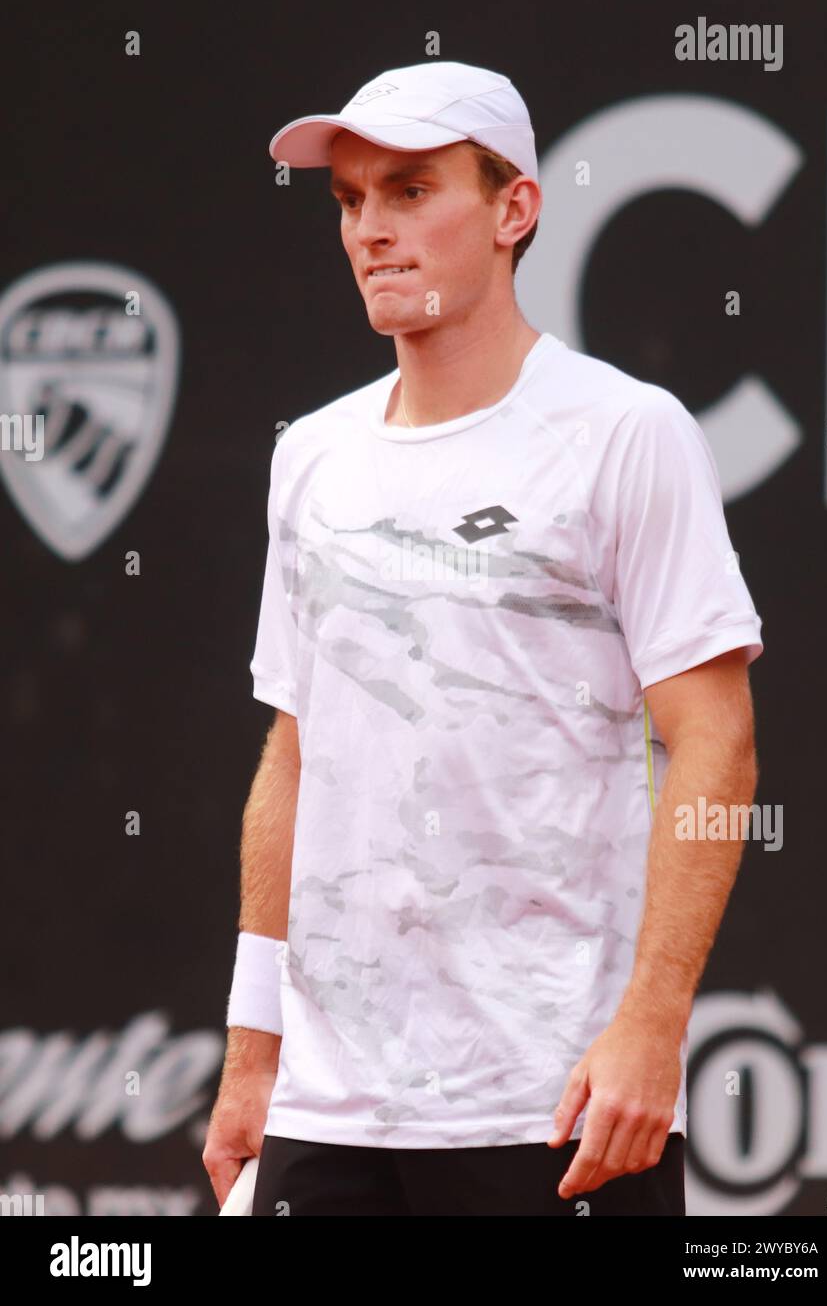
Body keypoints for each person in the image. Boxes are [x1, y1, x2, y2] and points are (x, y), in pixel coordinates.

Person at [202, 61, 764, 1216]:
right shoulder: (309, 454)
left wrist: (653, 1029)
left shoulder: (626, 433)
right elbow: (293, 755)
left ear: (514, 212)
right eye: (351, 201)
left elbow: (714, 743)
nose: (371, 231)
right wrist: (254, 1050)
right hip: (326, 1110)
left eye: (409, 192)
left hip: (551, 1106)